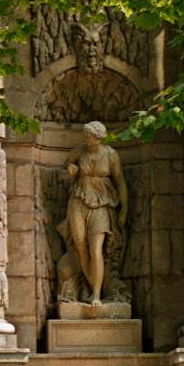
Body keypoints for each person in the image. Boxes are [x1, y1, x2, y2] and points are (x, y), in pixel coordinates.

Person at [63, 120, 128, 305]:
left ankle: (97, 295)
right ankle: (93, 287)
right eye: (85, 135)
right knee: (80, 246)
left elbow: (120, 181)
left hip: (102, 202)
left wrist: (124, 208)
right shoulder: (78, 151)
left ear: (98, 137)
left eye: (89, 136)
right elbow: (63, 172)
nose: (86, 138)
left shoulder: (110, 154)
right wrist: (70, 171)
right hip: (78, 199)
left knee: (96, 248)